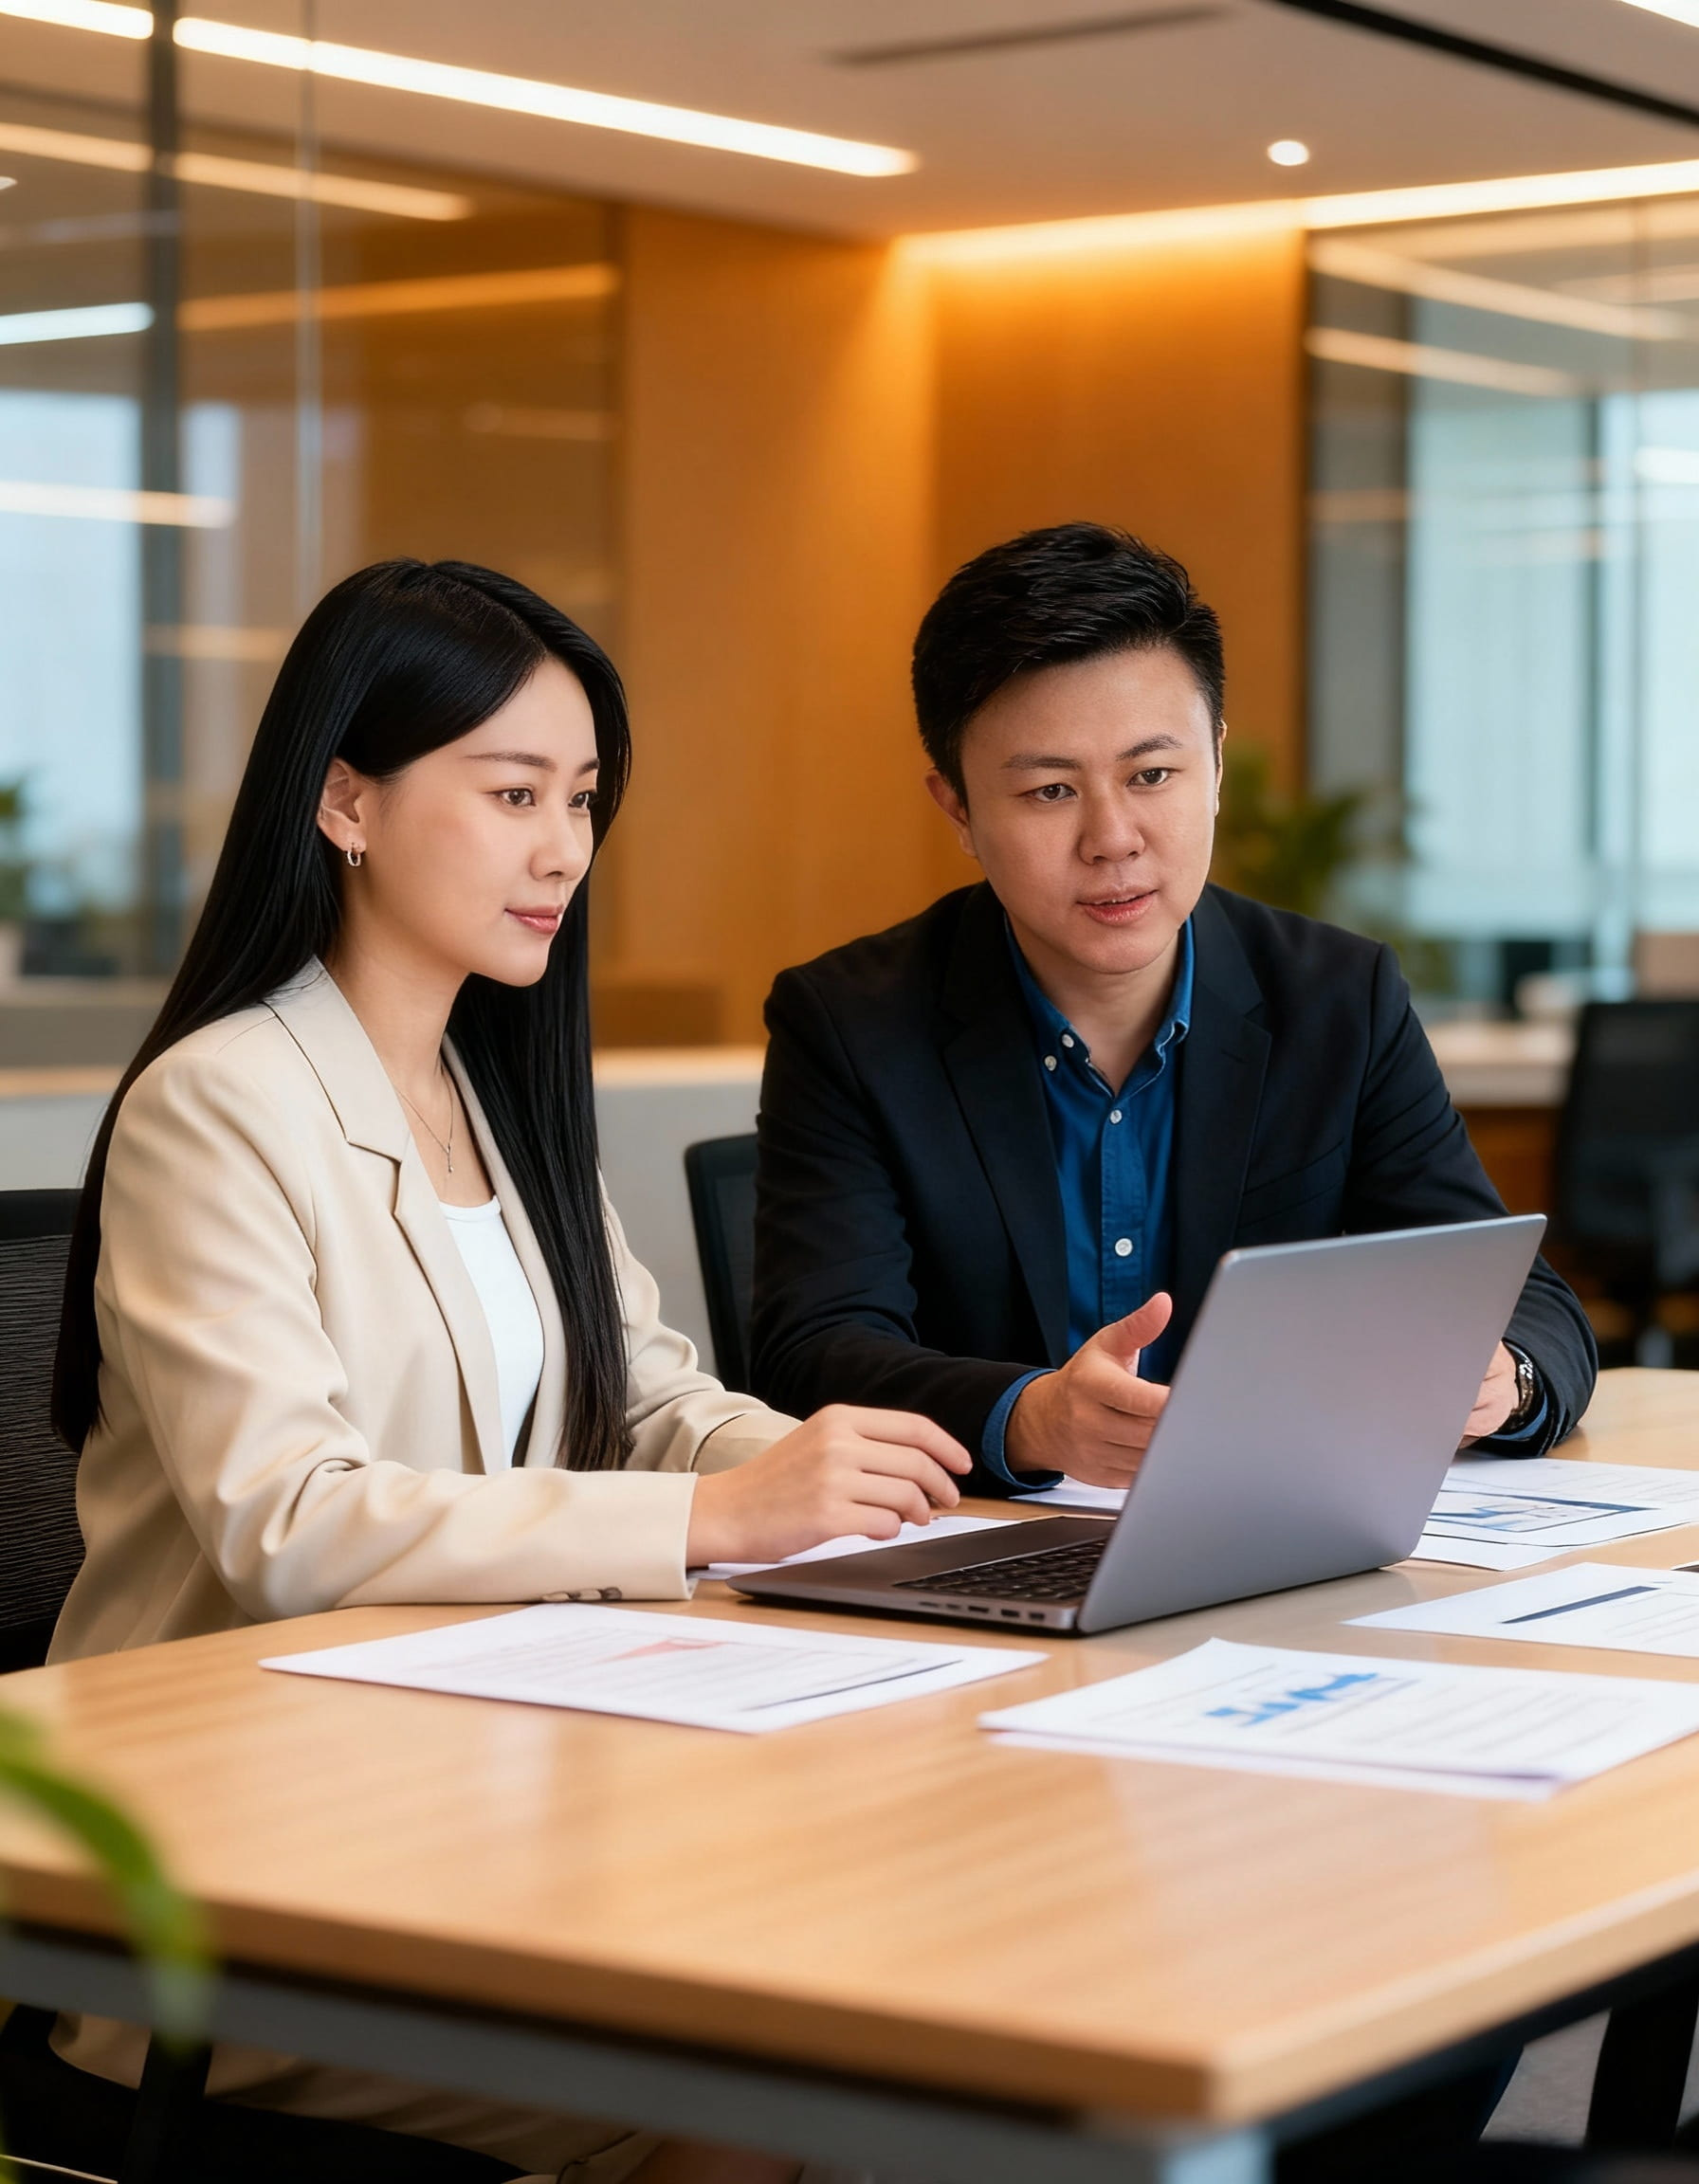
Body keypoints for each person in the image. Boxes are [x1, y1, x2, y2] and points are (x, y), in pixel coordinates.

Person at [47, 558, 970, 2184]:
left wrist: (852, 1475)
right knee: (806, 2078)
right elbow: (294, 1520)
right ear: (345, 799)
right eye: (513, 791)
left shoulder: (490, 1093)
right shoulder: (222, 1103)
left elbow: (657, 1396)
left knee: (897, 1994)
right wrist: (712, 1522)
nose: (565, 847)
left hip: (478, 1798)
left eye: (585, 797)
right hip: (249, 1880)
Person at [751, 519, 1597, 1495]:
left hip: (1271, 1534)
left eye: (1152, 775)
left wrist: (1502, 1378)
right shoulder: (853, 1023)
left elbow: (1515, 1297)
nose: (1113, 838)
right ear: (958, 810)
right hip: (987, 1546)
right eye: (1049, 791)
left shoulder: (1336, 997)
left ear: (1218, 766)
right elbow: (811, 1349)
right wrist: (1031, 1418)